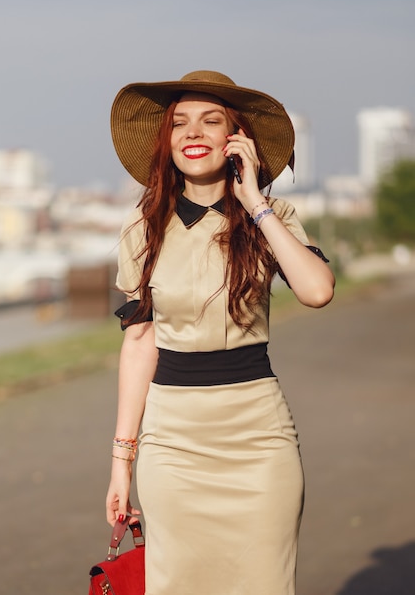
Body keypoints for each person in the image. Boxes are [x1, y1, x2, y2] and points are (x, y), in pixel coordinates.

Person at [105, 70, 335, 595]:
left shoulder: (272, 216)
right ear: (166, 142)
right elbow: (139, 342)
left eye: (212, 122)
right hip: (173, 443)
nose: (194, 133)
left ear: (237, 139)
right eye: (180, 123)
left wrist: (255, 201)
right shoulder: (142, 228)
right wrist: (122, 462)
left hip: (259, 438)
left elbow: (317, 290)